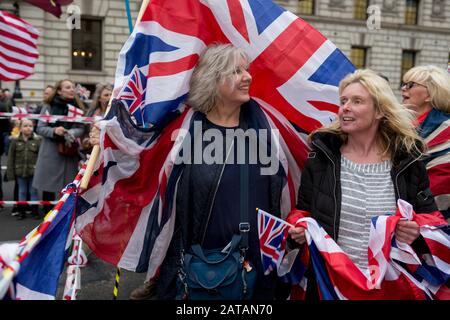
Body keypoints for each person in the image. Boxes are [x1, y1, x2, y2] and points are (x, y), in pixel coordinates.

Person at [91, 44, 290, 300]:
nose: (248, 77)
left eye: (247, 69)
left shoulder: (267, 127)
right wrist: (106, 140)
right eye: (237, 71)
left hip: (257, 267)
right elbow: (139, 161)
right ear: (213, 79)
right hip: (196, 268)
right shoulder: (183, 130)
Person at [288, 69, 438, 299]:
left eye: (357, 101)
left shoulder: (407, 160)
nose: (345, 107)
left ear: (379, 111)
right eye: (343, 101)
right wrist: (296, 229)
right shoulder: (321, 157)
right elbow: (302, 211)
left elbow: (431, 220)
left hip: (389, 288)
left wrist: (415, 228)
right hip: (331, 286)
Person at [401, 65, 450, 220]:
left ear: (429, 94)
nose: (403, 89)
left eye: (410, 85)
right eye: (403, 83)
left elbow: (439, 185)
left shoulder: (445, 130)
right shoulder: (399, 124)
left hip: (428, 219)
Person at [33, 79, 86, 216]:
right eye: (68, 87)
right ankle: (47, 217)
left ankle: (62, 216)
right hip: (51, 153)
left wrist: (70, 133)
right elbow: (40, 128)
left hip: (69, 154)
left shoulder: (77, 108)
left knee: (68, 188)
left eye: (73, 87)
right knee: (48, 187)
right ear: (59, 90)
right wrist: (55, 131)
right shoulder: (48, 106)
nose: (72, 90)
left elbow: (80, 128)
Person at [6, 119, 41, 220]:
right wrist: (10, 173)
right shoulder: (15, 141)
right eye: (25, 126)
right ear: (20, 128)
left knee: (33, 191)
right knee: (22, 191)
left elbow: (40, 157)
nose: (28, 128)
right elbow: (10, 158)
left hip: (33, 172)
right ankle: (21, 211)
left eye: (30, 126)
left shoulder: (37, 140)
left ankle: (35, 211)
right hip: (20, 171)